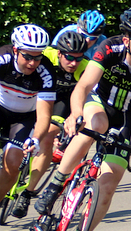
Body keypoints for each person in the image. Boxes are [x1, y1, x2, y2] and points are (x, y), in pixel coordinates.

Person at [35, 8, 131, 231]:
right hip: (99, 103)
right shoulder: (109, 48)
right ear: (126, 40)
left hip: (125, 119)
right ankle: (56, 183)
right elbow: (84, 87)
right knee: (96, 126)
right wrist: (76, 114)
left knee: (107, 188)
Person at [11, 31, 90, 218]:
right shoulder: (46, 56)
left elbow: (87, 98)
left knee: (47, 136)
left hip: (63, 103)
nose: (73, 63)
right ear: (59, 53)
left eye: (78, 59)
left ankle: (28, 192)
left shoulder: (85, 68)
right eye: (69, 58)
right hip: (39, 96)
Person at [0, 24, 58, 206]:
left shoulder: (46, 73)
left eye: (38, 57)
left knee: (13, 164)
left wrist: (36, 139)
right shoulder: (3, 59)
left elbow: (44, 116)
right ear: (16, 50)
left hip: (23, 118)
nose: (33, 63)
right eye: (27, 57)